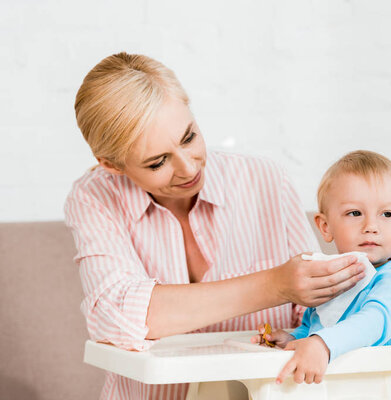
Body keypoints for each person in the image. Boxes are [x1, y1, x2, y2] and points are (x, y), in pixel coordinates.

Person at [64, 52, 368, 399]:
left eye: (189, 137)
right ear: (112, 165)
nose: (188, 169)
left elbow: (317, 315)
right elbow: (117, 314)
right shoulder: (94, 197)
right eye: (158, 162)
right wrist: (276, 284)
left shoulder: (264, 180)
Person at [253, 150, 391, 385]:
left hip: (382, 387)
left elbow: (373, 324)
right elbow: (318, 325)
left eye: (387, 214)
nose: (371, 225)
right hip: (340, 386)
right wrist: (294, 339)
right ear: (325, 227)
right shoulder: (334, 278)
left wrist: (321, 344)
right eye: (355, 213)